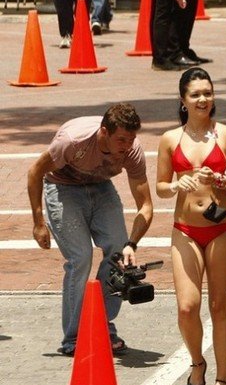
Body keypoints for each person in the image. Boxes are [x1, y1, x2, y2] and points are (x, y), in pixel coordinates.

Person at [27, 104, 154, 357]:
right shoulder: (73, 141)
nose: (127, 146)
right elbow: (35, 172)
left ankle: (102, 325)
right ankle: (73, 337)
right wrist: (38, 222)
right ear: (104, 132)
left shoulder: (132, 151)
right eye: (121, 139)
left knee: (118, 253)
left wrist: (132, 243)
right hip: (62, 187)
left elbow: (146, 206)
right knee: (81, 258)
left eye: (131, 139)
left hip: (100, 187)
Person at [156, 68, 226, 385]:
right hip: (186, 229)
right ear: (183, 99)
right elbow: (162, 187)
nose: (203, 99)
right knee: (187, 306)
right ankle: (197, 362)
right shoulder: (169, 139)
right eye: (195, 94)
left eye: (207, 93)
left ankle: (222, 378)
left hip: (223, 227)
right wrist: (177, 184)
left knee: (220, 306)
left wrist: (223, 179)